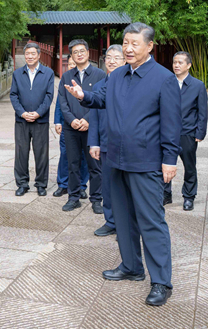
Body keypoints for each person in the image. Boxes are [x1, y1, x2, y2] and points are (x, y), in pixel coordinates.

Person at [66, 23, 181, 306]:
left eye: (134, 44)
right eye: (125, 43)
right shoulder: (116, 76)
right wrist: (84, 96)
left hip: (145, 161)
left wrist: (169, 160)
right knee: (123, 217)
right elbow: (101, 98)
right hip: (114, 159)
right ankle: (131, 266)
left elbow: (172, 124)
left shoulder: (163, 78)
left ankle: (161, 282)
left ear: (150, 46)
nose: (128, 49)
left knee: (151, 221)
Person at [59, 39, 105, 214]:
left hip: (91, 127)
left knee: (94, 165)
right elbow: (63, 102)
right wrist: (71, 120)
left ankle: (96, 199)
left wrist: (88, 120)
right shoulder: (66, 76)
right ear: (71, 56)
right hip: (71, 128)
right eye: (75, 52)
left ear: (88, 53)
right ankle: (74, 197)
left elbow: (101, 100)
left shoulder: (100, 75)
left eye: (82, 51)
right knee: (72, 163)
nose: (79, 54)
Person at [88, 45, 126, 236]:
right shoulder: (98, 86)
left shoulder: (130, 84)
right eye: (108, 57)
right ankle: (111, 221)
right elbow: (94, 117)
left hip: (127, 145)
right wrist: (94, 142)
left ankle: (127, 225)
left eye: (116, 58)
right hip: (105, 143)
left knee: (127, 186)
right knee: (109, 184)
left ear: (125, 61)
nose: (111, 61)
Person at [10, 42, 55, 196]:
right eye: (27, 54)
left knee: (41, 153)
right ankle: (22, 183)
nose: (29, 56)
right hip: (21, 121)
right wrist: (22, 113)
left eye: (32, 54)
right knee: (21, 152)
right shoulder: (17, 74)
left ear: (38, 55)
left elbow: (49, 96)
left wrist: (38, 113)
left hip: (40, 121)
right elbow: (13, 95)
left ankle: (41, 184)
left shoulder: (48, 73)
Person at [166, 51, 208, 211]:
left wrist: (200, 133)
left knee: (189, 166)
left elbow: (202, 111)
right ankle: (165, 194)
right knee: (165, 163)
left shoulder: (198, 85)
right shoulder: (167, 82)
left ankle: (189, 196)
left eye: (180, 62)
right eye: (174, 62)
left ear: (189, 65)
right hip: (168, 132)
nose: (176, 65)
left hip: (188, 132)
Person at [53, 56, 89, 198]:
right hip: (67, 125)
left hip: (84, 125)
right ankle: (63, 184)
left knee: (84, 157)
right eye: (71, 64)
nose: (73, 65)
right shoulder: (65, 79)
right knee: (65, 155)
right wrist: (57, 121)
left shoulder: (87, 80)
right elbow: (59, 104)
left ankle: (81, 185)